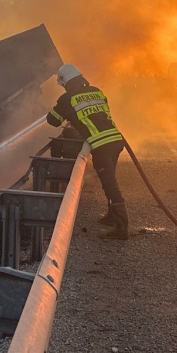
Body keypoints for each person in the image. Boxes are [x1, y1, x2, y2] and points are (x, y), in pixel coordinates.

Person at [45, 63, 129, 239]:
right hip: (116, 140)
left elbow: (52, 120)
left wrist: (63, 112)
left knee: (109, 182)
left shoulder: (67, 99)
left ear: (64, 82)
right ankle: (112, 216)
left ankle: (122, 227)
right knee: (110, 177)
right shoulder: (97, 91)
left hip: (101, 145)